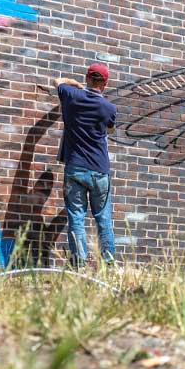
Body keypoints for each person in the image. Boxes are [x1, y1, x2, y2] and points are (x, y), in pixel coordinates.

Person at [51, 62, 117, 267]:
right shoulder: (109, 108)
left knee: (76, 218)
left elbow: (58, 81)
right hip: (100, 170)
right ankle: (109, 264)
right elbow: (110, 130)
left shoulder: (71, 95)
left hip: (75, 167)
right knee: (103, 219)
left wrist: (77, 85)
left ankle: (79, 264)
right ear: (105, 83)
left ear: (87, 78)